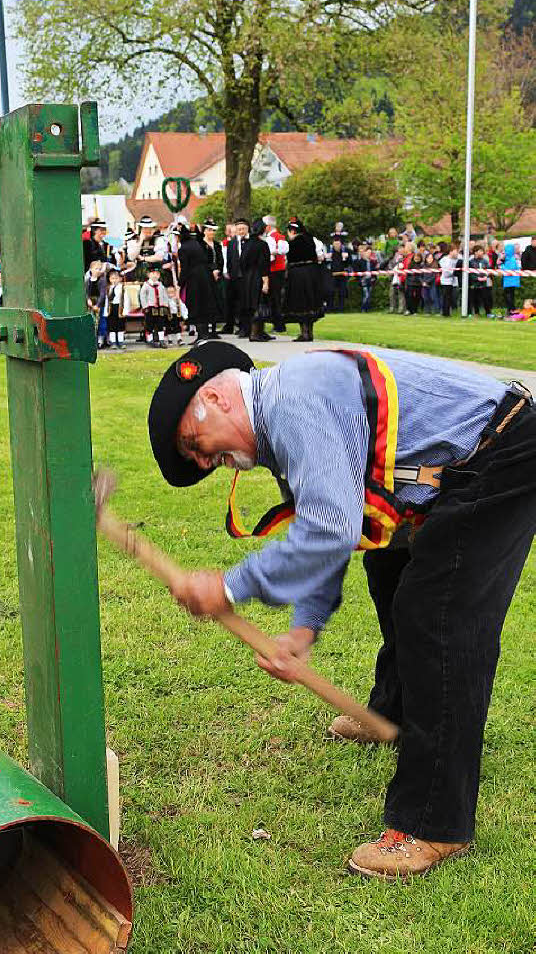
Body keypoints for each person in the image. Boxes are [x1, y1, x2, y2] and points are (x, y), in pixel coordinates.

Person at [148, 340, 536, 880]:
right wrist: (303, 631)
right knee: (390, 572)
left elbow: (329, 529)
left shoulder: (293, 402)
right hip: (454, 468)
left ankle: (433, 824)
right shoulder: (282, 424)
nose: (205, 462)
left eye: (195, 444)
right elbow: (339, 531)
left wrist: (233, 587)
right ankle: (394, 713)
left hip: (500, 453)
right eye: (197, 459)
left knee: (439, 616)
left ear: (216, 396)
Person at [283, 217, 323, 341]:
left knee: (301, 303)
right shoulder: (311, 240)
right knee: (310, 302)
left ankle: (304, 333)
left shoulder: (293, 243)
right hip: (312, 274)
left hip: (298, 275)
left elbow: (288, 259)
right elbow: (319, 256)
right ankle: (310, 332)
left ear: (293, 231)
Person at [178, 225, 217, 344]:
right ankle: (204, 333)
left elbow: (184, 268)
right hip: (206, 275)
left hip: (194, 279)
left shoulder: (183, 248)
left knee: (196, 305)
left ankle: (201, 335)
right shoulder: (198, 244)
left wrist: (180, 283)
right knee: (204, 304)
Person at [240, 219, 272, 341]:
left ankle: (257, 332)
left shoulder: (247, 244)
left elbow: (242, 262)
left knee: (251, 304)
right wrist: (266, 282)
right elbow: (264, 265)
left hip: (248, 278)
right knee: (260, 304)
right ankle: (255, 333)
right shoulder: (262, 245)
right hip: (258, 276)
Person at [223, 218, 249, 335]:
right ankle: (233, 325)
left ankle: (245, 327)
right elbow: (229, 259)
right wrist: (229, 272)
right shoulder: (232, 243)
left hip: (247, 277)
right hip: (234, 277)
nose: (241, 231)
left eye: (243, 229)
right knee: (235, 302)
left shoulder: (250, 242)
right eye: (239, 229)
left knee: (245, 303)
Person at [263, 215, 288, 332]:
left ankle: (278, 324)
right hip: (280, 269)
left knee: (274, 298)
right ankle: (278, 323)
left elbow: (271, 257)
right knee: (277, 297)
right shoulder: (280, 236)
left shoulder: (271, 238)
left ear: (268, 227)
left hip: (273, 270)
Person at [201, 219, 224, 338]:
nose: (212, 233)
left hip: (216, 277)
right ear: (204, 231)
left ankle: (214, 330)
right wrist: (211, 270)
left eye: (213, 231)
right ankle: (204, 330)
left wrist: (218, 270)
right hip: (205, 276)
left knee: (216, 301)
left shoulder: (217, 245)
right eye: (209, 230)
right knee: (206, 302)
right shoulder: (201, 245)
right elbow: (202, 261)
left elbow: (220, 260)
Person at [139, 267, 169, 347]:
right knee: (149, 324)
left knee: (160, 323)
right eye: (152, 274)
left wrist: (165, 304)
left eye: (157, 274)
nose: (155, 276)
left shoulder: (161, 285)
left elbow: (165, 295)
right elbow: (142, 296)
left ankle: (161, 340)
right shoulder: (146, 285)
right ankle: (150, 339)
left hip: (160, 307)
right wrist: (145, 306)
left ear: (159, 275)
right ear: (148, 275)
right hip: (150, 307)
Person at [104, 268, 132, 349]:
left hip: (120, 308)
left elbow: (126, 300)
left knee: (120, 325)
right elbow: (106, 300)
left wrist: (125, 310)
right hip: (111, 308)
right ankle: (113, 342)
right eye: (112, 278)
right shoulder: (108, 288)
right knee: (112, 326)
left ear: (120, 278)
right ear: (109, 279)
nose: (114, 280)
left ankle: (120, 342)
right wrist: (106, 312)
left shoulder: (122, 288)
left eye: (116, 278)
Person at [85, 260, 108, 349]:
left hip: (99, 304)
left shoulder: (102, 280)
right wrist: (88, 300)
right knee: (91, 321)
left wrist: (97, 305)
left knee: (101, 322)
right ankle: (91, 340)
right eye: (96, 268)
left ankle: (100, 340)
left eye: (99, 269)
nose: (98, 270)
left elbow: (102, 294)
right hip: (90, 303)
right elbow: (85, 292)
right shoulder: (88, 280)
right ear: (91, 269)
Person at [328, 235, 350, 313]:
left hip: (342, 276)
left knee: (342, 293)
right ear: (333, 244)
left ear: (341, 244)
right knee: (331, 292)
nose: (337, 245)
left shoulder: (345, 252)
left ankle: (341, 309)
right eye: (335, 244)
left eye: (338, 244)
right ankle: (330, 309)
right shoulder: (330, 253)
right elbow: (327, 264)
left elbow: (349, 263)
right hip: (332, 276)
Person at [469, 245, 493, 317]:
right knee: (475, 299)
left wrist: (486, 277)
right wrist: (476, 278)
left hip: (484, 284)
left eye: (482, 251)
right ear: (475, 252)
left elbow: (488, 270)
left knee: (486, 299)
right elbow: (470, 273)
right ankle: (476, 313)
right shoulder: (471, 262)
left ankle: (488, 313)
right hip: (475, 284)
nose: (482, 253)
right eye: (480, 251)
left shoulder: (485, 261)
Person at [500, 242, 521, 314]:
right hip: (510, 280)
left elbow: (509, 269)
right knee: (510, 295)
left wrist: (501, 266)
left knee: (508, 295)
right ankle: (510, 310)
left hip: (510, 280)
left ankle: (512, 309)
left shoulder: (511, 259)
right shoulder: (510, 258)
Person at [440, 245, 459, 317]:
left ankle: (448, 312)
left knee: (451, 298)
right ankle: (445, 313)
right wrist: (454, 273)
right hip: (446, 281)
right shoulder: (446, 260)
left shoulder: (455, 259)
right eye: (456, 251)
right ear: (451, 252)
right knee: (446, 298)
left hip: (453, 282)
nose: (457, 253)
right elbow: (446, 272)